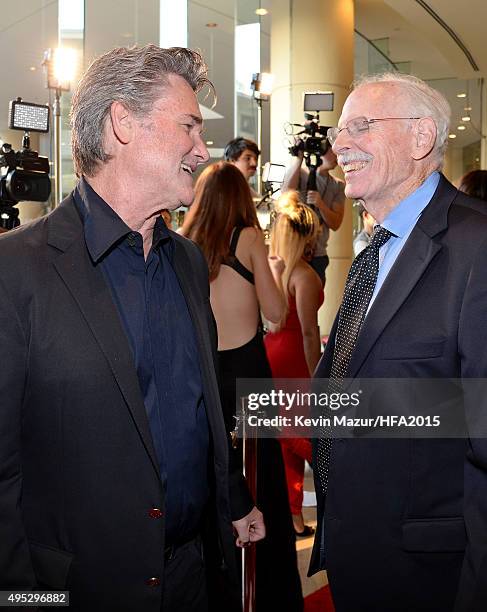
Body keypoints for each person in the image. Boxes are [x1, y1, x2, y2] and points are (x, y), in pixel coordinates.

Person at [0, 44, 264, 612]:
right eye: (189, 127)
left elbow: (198, 410)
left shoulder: (189, 262)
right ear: (123, 123)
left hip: (195, 576)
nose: (203, 148)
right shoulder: (15, 271)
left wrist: (232, 497)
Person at [310, 72, 487, 612]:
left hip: (435, 574)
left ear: (421, 138)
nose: (340, 144)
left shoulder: (477, 247)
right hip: (357, 553)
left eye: (361, 126)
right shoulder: (374, 251)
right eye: (341, 130)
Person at [182, 161, 303, 611]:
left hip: (204, 373)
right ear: (239, 198)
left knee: (213, 474)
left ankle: (219, 587)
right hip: (249, 372)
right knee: (262, 480)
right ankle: (268, 594)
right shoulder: (248, 238)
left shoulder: (185, 244)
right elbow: (277, 311)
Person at [264, 191, 322, 537]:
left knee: (285, 437)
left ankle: (290, 513)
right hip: (294, 358)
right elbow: (309, 333)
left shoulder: (276, 271)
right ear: (306, 235)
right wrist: (318, 374)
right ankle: (297, 513)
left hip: (271, 351)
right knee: (302, 438)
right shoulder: (304, 275)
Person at [281, 143, 345, 282]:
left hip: (318, 255)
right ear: (321, 151)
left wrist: (321, 205)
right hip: (294, 252)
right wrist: (299, 159)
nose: (338, 155)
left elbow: (336, 224)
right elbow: (285, 194)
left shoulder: (338, 185)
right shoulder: (301, 174)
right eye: (333, 151)